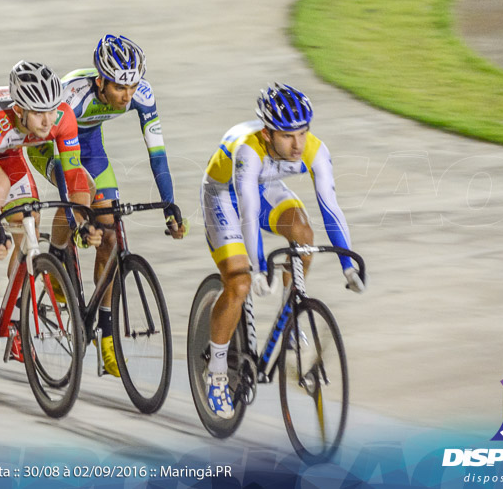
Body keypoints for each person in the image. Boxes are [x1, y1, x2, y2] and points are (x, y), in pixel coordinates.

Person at [26, 34, 187, 377]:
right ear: (101, 81)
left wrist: (170, 204)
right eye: (119, 88)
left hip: (90, 145)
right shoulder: (73, 97)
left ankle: (108, 338)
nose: (127, 96)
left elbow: (157, 154)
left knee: (112, 234)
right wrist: (79, 222)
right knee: (81, 191)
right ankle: (55, 259)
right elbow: (69, 175)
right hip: (50, 145)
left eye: (132, 86)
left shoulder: (141, 94)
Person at [201, 84, 363, 418]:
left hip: (268, 186)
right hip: (224, 195)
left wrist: (349, 264)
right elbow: (247, 211)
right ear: (268, 133)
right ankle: (216, 372)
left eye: (303, 133)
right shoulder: (249, 149)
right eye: (288, 136)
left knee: (304, 235)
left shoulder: (314, 150)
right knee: (239, 282)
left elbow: (330, 207)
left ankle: (290, 316)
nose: (298, 144)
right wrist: (259, 266)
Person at [0, 60, 102, 361]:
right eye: (39, 113)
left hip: (8, 149)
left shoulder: (61, 117)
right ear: (19, 111)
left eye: (52, 109)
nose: (48, 121)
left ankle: (15, 319)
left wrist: (83, 221)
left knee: (29, 218)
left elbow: (74, 176)